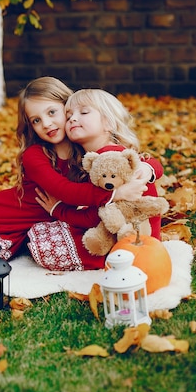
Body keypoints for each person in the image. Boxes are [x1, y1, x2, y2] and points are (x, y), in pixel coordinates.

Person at [0, 77, 148, 269]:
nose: (47, 124)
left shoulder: (86, 147)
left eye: (52, 113)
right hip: (6, 214)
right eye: (36, 120)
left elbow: (137, 159)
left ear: (68, 108)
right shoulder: (35, 154)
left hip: (36, 225)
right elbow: (65, 191)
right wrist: (114, 195)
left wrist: (148, 169)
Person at [28, 88, 164, 271]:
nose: (73, 119)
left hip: (131, 244)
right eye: (68, 116)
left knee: (44, 240)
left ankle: (105, 261)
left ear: (108, 123)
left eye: (83, 112)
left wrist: (58, 210)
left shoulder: (109, 161)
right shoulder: (106, 155)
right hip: (124, 236)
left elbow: (94, 218)